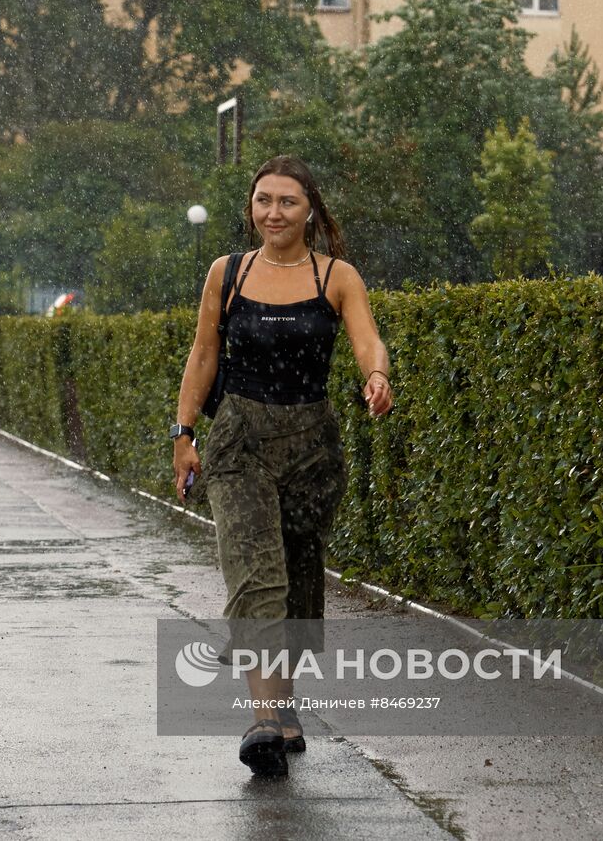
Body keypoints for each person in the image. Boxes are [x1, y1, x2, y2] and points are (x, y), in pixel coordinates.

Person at [172, 156, 393, 778]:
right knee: (256, 573)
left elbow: (366, 338)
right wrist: (184, 433)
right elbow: (204, 353)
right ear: (251, 208)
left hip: (312, 444)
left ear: (310, 212)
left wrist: (376, 375)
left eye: (287, 202)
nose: (273, 212)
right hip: (238, 439)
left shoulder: (335, 276)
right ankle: (264, 719)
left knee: (298, 572)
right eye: (263, 200)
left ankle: (285, 708)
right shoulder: (229, 273)